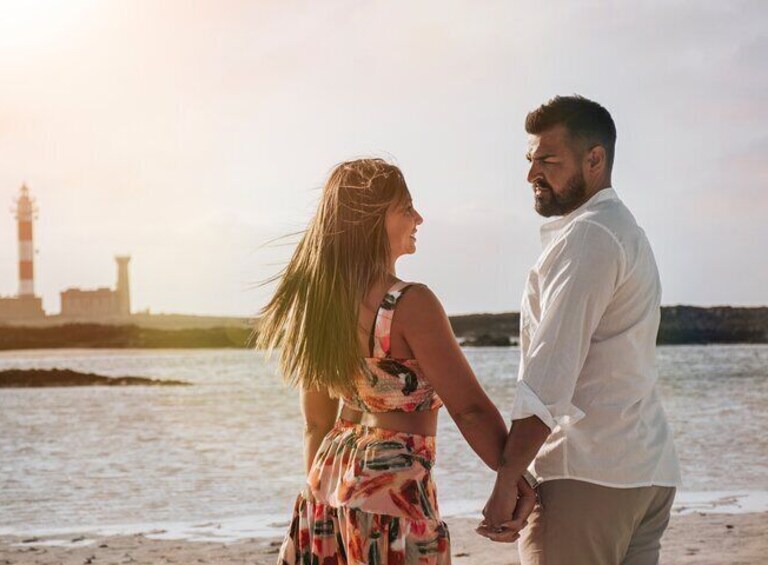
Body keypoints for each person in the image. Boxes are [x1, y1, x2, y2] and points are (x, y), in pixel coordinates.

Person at [257, 158, 535, 564]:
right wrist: (512, 475)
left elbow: (316, 422)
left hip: (327, 485)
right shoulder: (409, 304)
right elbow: (470, 410)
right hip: (393, 494)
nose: (418, 217)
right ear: (373, 221)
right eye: (406, 208)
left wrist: (326, 501)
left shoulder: (320, 304)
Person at [480, 96, 682, 565]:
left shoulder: (590, 236)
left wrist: (507, 478)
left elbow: (549, 375)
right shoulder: (624, 230)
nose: (532, 174)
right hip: (643, 472)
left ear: (595, 159)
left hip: (588, 474)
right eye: (530, 160)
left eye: (548, 160)